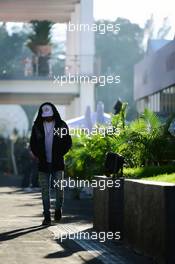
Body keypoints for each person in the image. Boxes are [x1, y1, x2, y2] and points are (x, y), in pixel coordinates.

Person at [30, 102, 72, 225]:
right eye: (45, 115)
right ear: (41, 115)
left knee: (59, 188)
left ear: (54, 113)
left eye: (49, 115)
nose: (47, 117)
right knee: (45, 190)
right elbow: (32, 143)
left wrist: (60, 154)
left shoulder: (62, 125)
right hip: (43, 164)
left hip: (57, 163)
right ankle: (47, 215)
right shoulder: (37, 126)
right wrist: (38, 155)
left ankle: (58, 208)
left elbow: (68, 142)